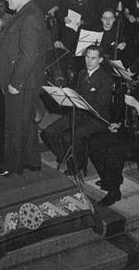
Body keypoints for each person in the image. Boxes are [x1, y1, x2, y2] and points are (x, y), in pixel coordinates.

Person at [0, 0, 48, 176]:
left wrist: (16, 83)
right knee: (26, 121)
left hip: (22, 81)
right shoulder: (27, 11)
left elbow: (29, 55)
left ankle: (11, 167)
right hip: (26, 80)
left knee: (14, 124)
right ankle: (33, 161)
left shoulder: (30, 16)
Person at [42, 45, 113, 175]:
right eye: (87, 57)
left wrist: (78, 101)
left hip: (96, 118)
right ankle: (67, 156)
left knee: (69, 137)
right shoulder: (82, 73)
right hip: (79, 113)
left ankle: (77, 165)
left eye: (93, 58)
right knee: (49, 132)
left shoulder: (106, 79)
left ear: (100, 60)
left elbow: (99, 106)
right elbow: (77, 92)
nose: (89, 61)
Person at [90, 94, 139, 206]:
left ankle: (114, 192)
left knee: (115, 151)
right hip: (133, 132)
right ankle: (110, 179)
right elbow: (132, 115)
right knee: (95, 143)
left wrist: (137, 105)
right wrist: (120, 125)